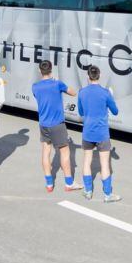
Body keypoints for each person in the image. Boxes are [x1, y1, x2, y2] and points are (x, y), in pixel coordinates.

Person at [32, 60, 81, 192]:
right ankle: (69, 183)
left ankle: (49, 184)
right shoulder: (57, 84)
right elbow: (73, 92)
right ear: (51, 70)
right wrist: (57, 81)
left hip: (43, 124)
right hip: (57, 124)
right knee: (64, 153)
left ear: (39, 71)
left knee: (46, 151)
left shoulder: (35, 86)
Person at [77, 65, 122, 202]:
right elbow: (115, 111)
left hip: (88, 132)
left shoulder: (82, 92)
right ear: (100, 75)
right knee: (105, 164)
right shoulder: (105, 93)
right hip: (102, 133)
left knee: (87, 161)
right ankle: (107, 194)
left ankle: (88, 191)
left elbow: (81, 112)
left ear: (87, 76)